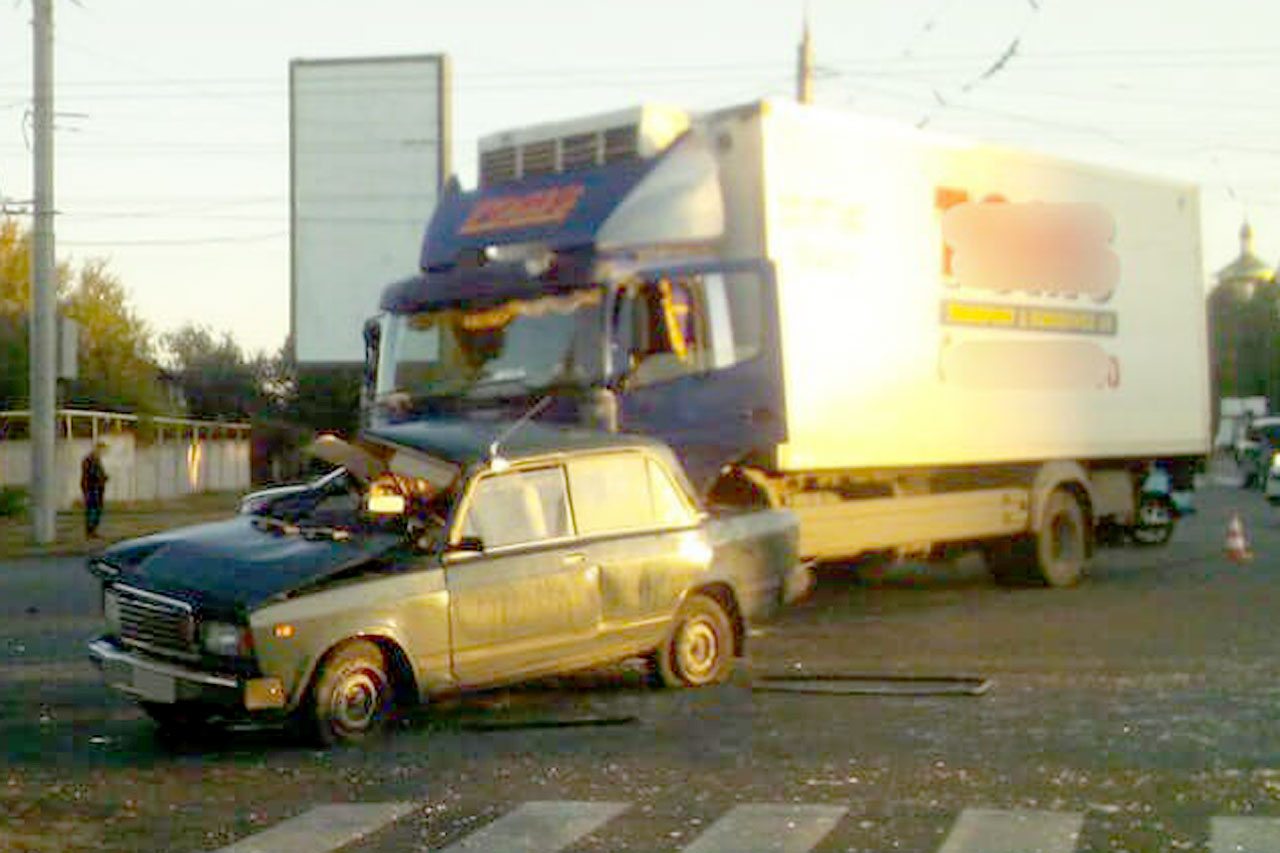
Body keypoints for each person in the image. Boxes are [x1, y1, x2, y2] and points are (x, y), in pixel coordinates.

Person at [81, 442, 109, 538]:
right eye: (103, 450)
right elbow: (92, 474)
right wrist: (102, 478)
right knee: (93, 509)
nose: (103, 452)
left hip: (95, 487)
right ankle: (90, 531)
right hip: (92, 487)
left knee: (95, 509)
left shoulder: (94, 459)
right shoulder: (90, 459)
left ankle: (92, 530)